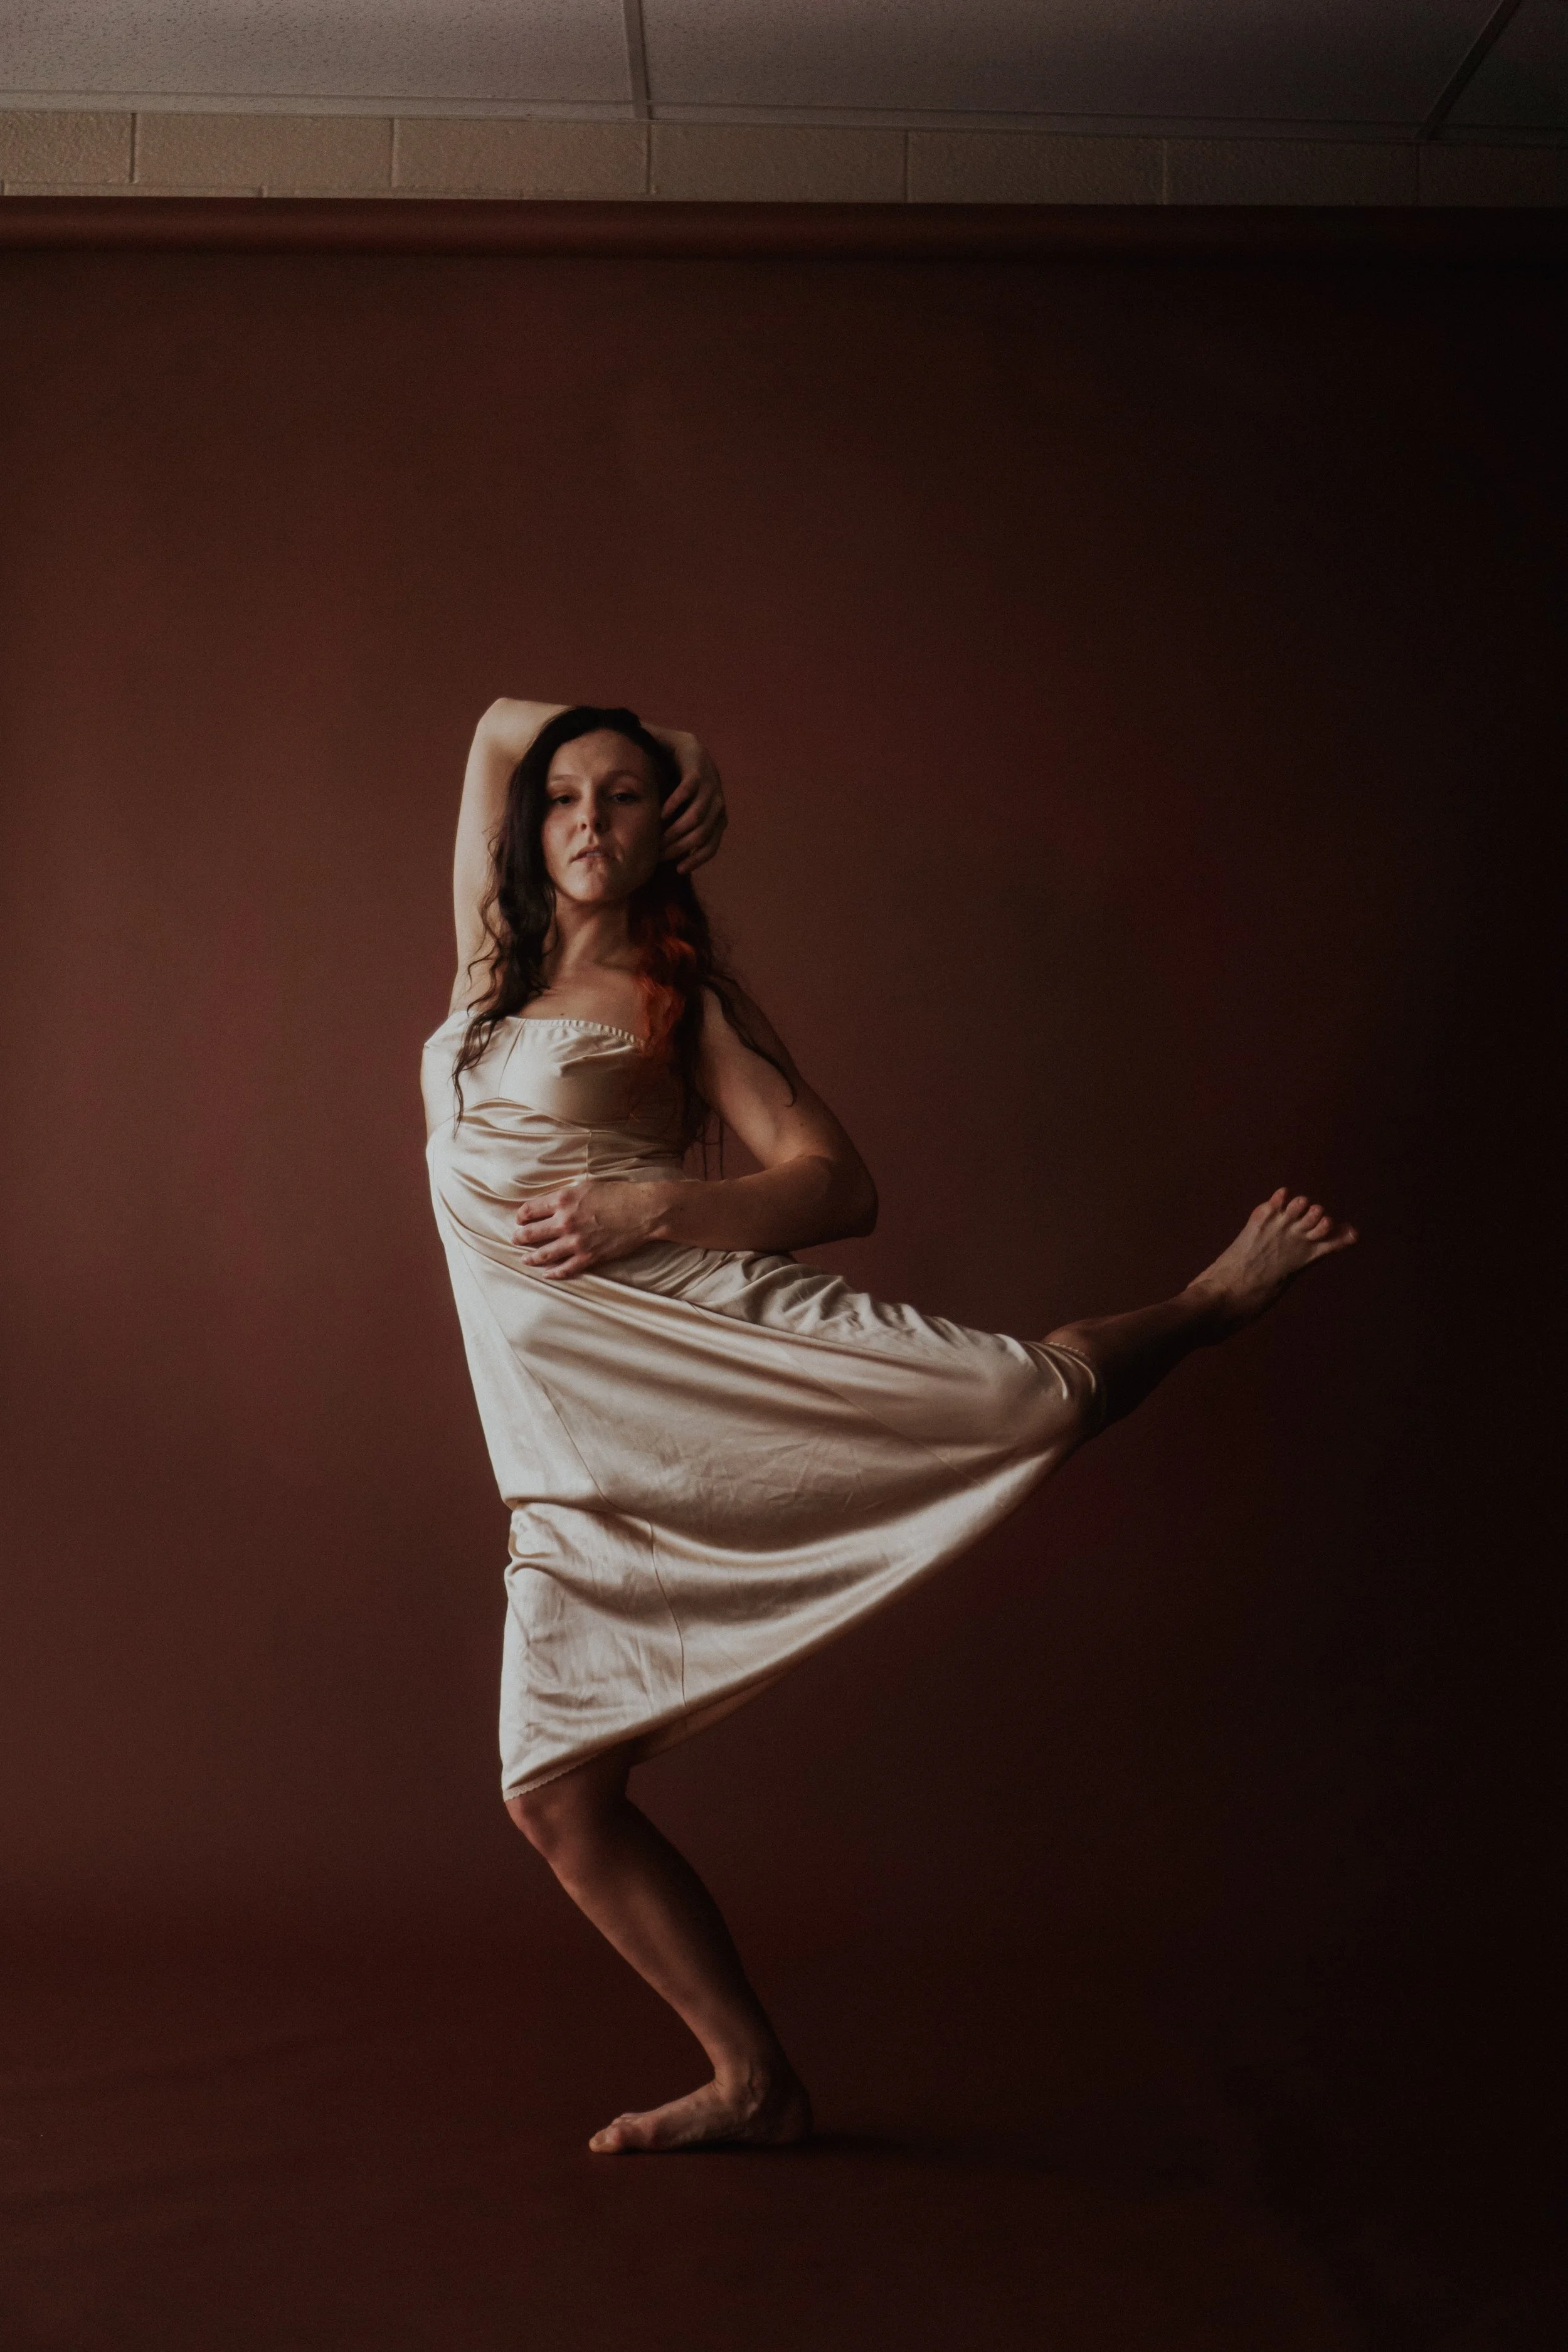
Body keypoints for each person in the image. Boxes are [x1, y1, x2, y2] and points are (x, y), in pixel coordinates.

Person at [419, 696, 1357, 2156]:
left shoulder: (685, 1005)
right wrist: (675, 739)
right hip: (573, 1442)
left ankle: (1205, 1303)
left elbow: (835, 1186)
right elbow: (494, 727)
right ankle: (753, 2083)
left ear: (661, 834)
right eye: (566, 800)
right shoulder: (487, 964)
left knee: (1017, 1396)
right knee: (554, 1791)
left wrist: (656, 1201)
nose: (587, 819)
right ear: (534, 829)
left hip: (700, 1337)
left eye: (622, 797)